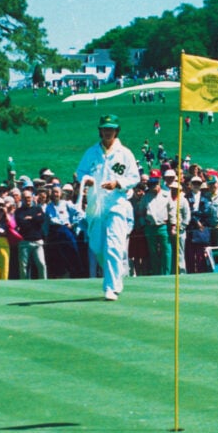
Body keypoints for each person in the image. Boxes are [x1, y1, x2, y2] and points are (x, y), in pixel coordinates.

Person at [76, 114, 141, 300]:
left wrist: (118, 183)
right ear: (100, 131)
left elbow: (134, 177)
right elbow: (81, 173)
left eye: (111, 129)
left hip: (117, 204)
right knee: (97, 247)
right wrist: (86, 180)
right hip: (96, 205)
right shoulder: (91, 153)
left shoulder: (125, 153)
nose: (107, 132)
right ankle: (116, 273)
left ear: (116, 131)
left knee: (113, 246)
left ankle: (110, 287)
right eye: (105, 128)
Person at [14, 187, 47, 279]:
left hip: (37, 241)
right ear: (22, 199)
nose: (27, 199)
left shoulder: (38, 209)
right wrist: (35, 219)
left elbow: (42, 219)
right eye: (25, 197)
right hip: (25, 241)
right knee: (23, 266)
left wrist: (31, 218)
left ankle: (45, 282)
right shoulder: (19, 211)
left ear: (32, 198)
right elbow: (22, 223)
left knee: (41, 264)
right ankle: (24, 284)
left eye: (28, 197)